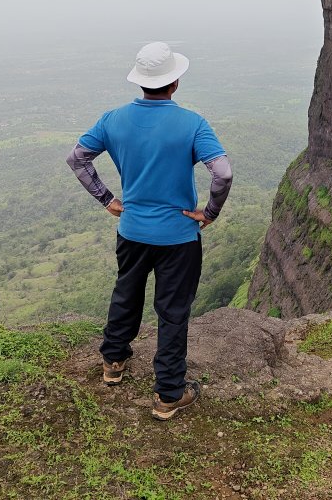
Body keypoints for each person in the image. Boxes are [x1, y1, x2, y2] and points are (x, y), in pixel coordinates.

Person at [66, 41, 232, 421]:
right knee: (172, 312)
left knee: (127, 291)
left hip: (133, 230)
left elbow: (76, 158)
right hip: (179, 236)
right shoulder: (192, 123)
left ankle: (113, 362)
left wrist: (107, 198)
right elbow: (222, 173)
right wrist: (209, 212)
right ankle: (169, 394)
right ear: (174, 83)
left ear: (140, 82)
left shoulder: (112, 120)